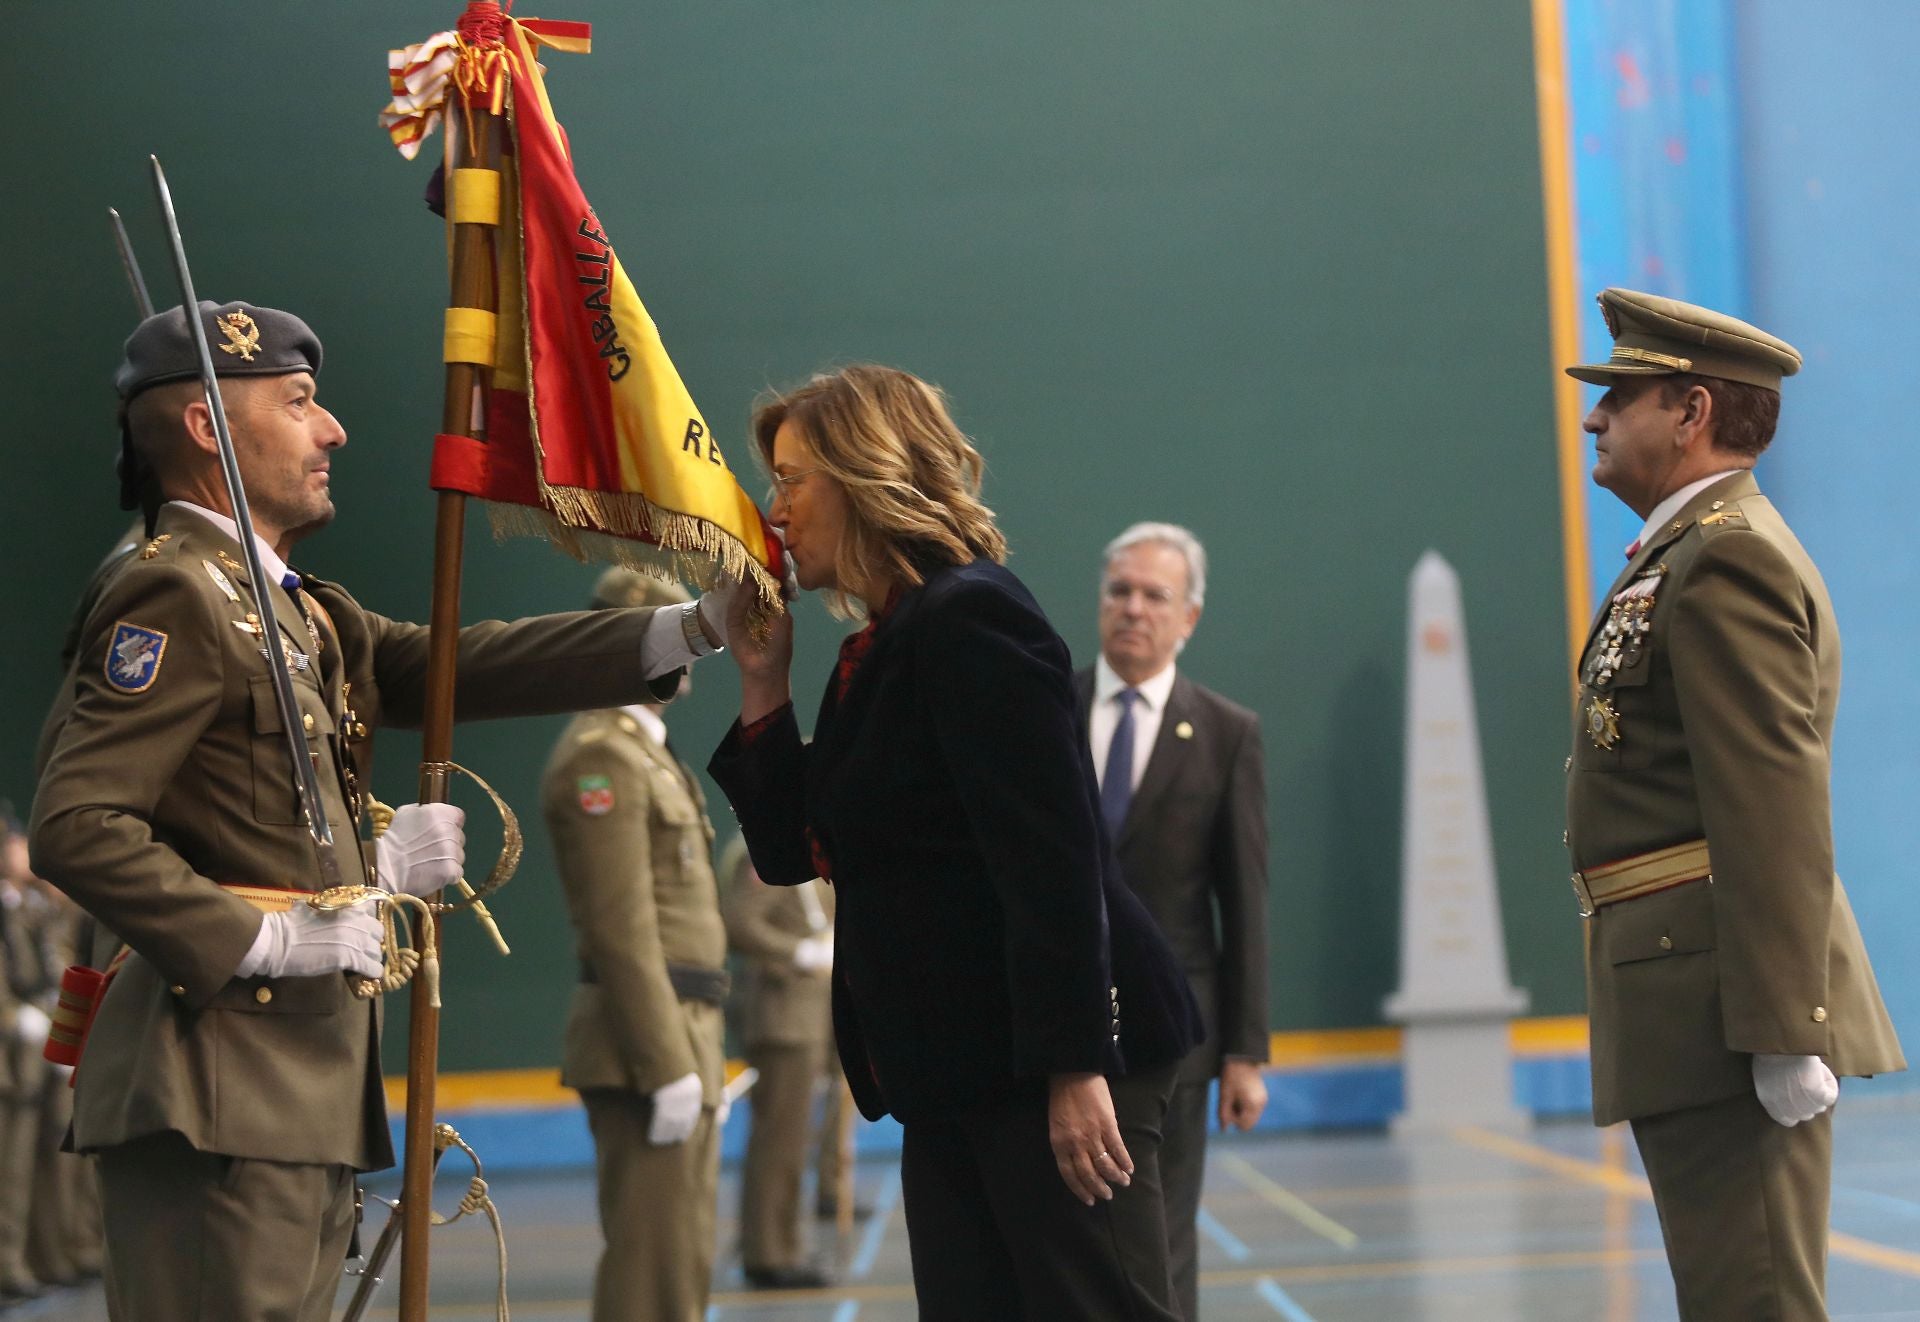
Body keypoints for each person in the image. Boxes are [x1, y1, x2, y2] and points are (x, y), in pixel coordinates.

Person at [30, 300, 728, 1322]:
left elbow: (450, 663)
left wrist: (692, 627)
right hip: (214, 1081)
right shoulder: (176, 593)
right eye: (301, 402)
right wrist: (267, 936)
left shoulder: (296, 605)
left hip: (293, 1083)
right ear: (207, 427)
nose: (333, 429)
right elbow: (76, 821)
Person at [708, 363, 1202, 1321]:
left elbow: (1051, 856)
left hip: (1047, 1063)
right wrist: (763, 681)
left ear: (863, 476)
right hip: (959, 1072)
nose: (774, 512)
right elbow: (790, 852)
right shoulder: (879, 647)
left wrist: (1073, 1066)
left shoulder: (970, 615)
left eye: (791, 480)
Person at [1564, 287, 1905, 1320]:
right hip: (1689, 995)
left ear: (1692, 410)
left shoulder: (1727, 559)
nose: (1595, 416)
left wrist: (1783, 1025)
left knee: (1752, 1298)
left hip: (1722, 1008)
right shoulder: (1686, 553)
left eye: (1620, 394)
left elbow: (1772, 802)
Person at [1078, 521, 1269, 1322]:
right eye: (1119, 591)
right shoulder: (1048, 708)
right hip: (1064, 1023)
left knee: (1162, 1239)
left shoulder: (1226, 733)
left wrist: (1246, 1053)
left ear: (1188, 617)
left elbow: (1246, 900)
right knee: (1068, 1240)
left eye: (1154, 595)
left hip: (1175, 1037)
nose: (1132, 609)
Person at [542, 567, 731, 1322]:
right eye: (669, 631)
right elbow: (621, 931)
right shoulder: (604, 756)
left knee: (679, 1259)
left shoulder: (641, 749)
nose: (686, 649)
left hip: (683, 1028)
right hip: (647, 1042)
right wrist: (666, 1064)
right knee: (652, 1272)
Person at [720, 836, 838, 1289]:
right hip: (782, 1017)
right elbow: (741, 921)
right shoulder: (765, 850)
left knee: (793, 1140)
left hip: (809, 1016)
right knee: (779, 1141)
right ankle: (769, 1253)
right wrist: (798, 952)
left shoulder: (808, 847)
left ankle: (782, 1244)